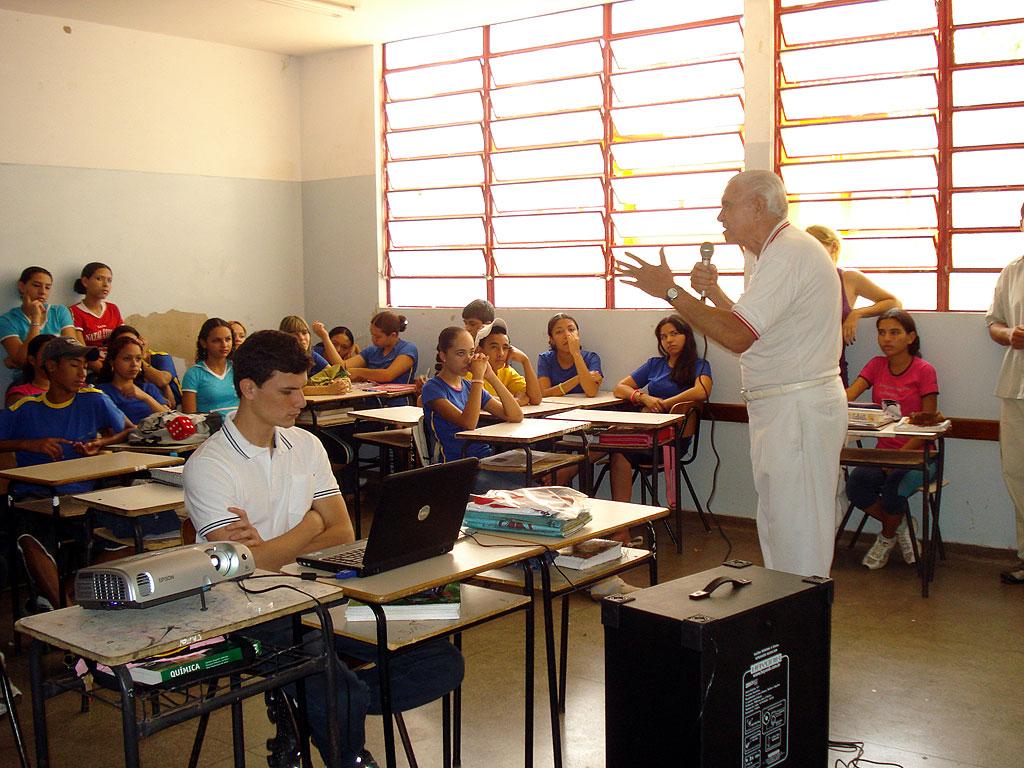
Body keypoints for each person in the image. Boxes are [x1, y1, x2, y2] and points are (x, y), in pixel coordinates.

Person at [183, 330, 463, 768]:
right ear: (249, 389)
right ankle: (348, 751)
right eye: (289, 391)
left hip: (320, 590)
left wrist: (281, 544)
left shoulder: (307, 445)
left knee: (441, 659)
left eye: (302, 388)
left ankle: (304, 711)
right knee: (331, 680)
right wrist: (312, 523)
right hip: (250, 610)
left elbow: (342, 532)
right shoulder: (210, 466)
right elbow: (242, 568)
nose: (301, 401)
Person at [617, 170, 847, 577]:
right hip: (784, 407)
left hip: (796, 408)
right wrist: (716, 295)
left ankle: (799, 624)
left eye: (726, 204)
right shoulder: (774, 254)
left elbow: (738, 335)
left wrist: (670, 292)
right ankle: (786, 621)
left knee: (798, 532)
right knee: (781, 527)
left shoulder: (790, 252)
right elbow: (756, 328)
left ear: (757, 206)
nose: (718, 216)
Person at [846, 310, 938, 569]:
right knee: (857, 486)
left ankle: (886, 537)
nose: (886, 339)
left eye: (895, 332)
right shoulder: (875, 365)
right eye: (881, 332)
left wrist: (897, 459)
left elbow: (928, 423)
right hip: (884, 452)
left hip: (918, 456)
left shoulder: (924, 370)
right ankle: (900, 526)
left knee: (892, 492)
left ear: (911, 338)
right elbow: (851, 393)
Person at [0, 337, 131, 498]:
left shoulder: (94, 399)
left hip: (86, 494)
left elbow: (131, 430)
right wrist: (28, 444)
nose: (82, 373)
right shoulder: (26, 407)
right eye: (74, 365)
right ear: (52, 366)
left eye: (85, 367)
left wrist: (100, 443)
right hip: (36, 497)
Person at [609, 315, 714, 503]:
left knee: (616, 449)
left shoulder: (699, 365)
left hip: (672, 439)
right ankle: (564, 479)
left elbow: (702, 391)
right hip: (644, 429)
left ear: (687, 336)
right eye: (663, 337)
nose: (669, 340)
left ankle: (621, 528)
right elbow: (620, 388)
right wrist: (644, 398)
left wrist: (666, 404)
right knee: (599, 443)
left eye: (674, 334)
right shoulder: (654, 364)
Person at [422, 326, 524, 491]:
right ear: (443, 356)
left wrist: (490, 375)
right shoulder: (433, 388)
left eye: (470, 353)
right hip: (458, 466)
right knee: (515, 493)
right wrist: (478, 378)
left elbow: (515, 415)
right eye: (460, 354)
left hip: (485, 460)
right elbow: (468, 423)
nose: (468, 360)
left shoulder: (470, 387)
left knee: (529, 483)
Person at [806, 225, 901, 385]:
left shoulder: (849, 279)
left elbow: (893, 302)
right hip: (801, 370)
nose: (812, 254)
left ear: (833, 247)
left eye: (816, 247)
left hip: (833, 371)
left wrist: (857, 313)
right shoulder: (800, 281)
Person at [986, 198, 1024, 585]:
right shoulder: (1013, 272)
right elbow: (993, 323)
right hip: (1016, 387)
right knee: (1017, 472)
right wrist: (1008, 334)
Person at [0, 267, 77, 371]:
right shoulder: (7, 320)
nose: (42, 292)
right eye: (36, 286)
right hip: (27, 378)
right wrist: (35, 319)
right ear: (22, 286)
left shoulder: (59, 311)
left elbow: (72, 350)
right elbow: (22, 361)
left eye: (47, 288)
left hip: (60, 373)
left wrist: (28, 359)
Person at [95, 334, 170, 423]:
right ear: (112, 362)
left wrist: (146, 397)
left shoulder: (148, 388)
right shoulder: (102, 392)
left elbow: (169, 418)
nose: (134, 364)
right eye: (127, 359)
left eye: (138, 359)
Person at [468, 318, 542, 405]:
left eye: (505, 348)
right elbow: (481, 400)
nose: (501, 353)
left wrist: (525, 361)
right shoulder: (471, 372)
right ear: (479, 350)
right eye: (494, 347)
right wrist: (516, 401)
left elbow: (535, 399)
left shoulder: (505, 370)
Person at [107, 325, 181, 407]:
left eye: (133, 341)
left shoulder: (159, 358)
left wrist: (139, 356)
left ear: (141, 340)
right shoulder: (104, 392)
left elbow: (162, 381)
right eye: (123, 342)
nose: (129, 345)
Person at [181, 318, 238, 417]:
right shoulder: (194, 374)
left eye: (228, 339)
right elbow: (190, 417)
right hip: (212, 429)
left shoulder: (238, 368)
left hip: (242, 426)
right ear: (203, 343)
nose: (224, 345)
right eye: (217, 341)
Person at [536, 313, 603, 397]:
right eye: (559, 332)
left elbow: (591, 392)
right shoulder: (545, 359)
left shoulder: (591, 358)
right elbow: (544, 393)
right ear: (551, 339)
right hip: (556, 407)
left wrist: (576, 354)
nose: (567, 335)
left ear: (578, 334)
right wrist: (579, 378)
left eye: (571, 330)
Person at [343, 311, 418, 385]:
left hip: (396, 396)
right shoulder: (372, 350)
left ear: (393, 335)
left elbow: (387, 375)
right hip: (369, 395)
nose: (373, 339)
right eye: (372, 335)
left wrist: (358, 372)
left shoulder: (408, 349)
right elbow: (342, 367)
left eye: (378, 337)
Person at [69, 262, 123, 358]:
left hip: (116, 360)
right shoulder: (74, 311)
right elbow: (81, 349)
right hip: (92, 361)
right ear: (85, 282)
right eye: (99, 279)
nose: (106, 284)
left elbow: (124, 337)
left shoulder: (112, 308)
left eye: (109, 280)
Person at [279, 315, 345, 374]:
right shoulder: (280, 360)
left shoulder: (311, 354)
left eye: (304, 333)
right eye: (295, 334)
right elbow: (299, 386)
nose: (302, 338)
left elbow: (337, 373)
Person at [5, 333, 54, 407]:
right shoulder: (19, 395)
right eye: (46, 354)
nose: (53, 360)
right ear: (32, 360)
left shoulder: (69, 392)